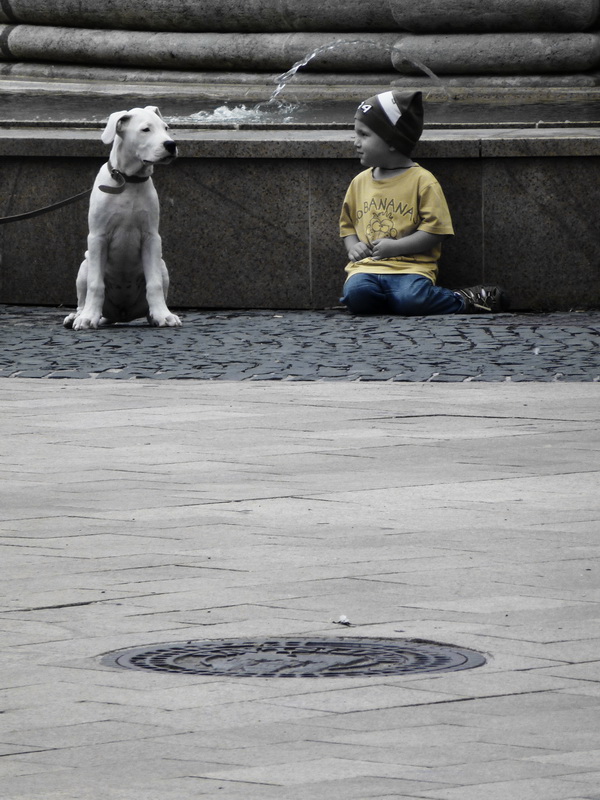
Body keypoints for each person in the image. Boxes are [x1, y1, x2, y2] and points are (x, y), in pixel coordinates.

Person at [339, 90, 509, 315]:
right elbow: (348, 226)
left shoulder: (422, 181)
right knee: (356, 296)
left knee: (412, 300)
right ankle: (393, 302)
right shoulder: (359, 182)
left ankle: (465, 299)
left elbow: (436, 231)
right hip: (365, 269)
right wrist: (354, 247)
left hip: (410, 269)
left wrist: (397, 247)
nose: (355, 142)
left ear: (392, 140)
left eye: (363, 135)